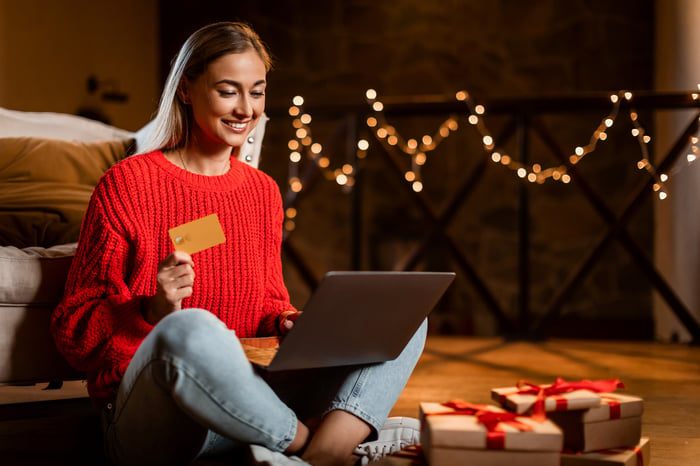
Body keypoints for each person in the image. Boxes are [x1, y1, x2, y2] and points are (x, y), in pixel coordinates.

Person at [51, 21, 427, 466]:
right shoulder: (127, 184)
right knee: (191, 328)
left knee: (400, 318)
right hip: (159, 419)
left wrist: (290, 322)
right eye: (228, 91)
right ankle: (326, 449)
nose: (245, 108)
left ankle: (319, 451)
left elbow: (267, 305)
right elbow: (72, 332)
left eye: (257, 91)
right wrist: (150, 310)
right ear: (187, 90)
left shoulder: (262, 192)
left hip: (255, 405)